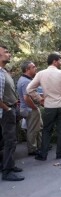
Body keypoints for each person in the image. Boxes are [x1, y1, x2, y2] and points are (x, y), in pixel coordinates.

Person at [27, 53, 61, 161]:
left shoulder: (41, 74)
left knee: (47, 130)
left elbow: (29, 89)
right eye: (60, 60)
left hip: (49, 106)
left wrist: (39, 99)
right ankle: (59, 153)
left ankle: (43, 154)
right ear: (55, 61)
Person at [0, 45, 24, 181]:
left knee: (9, 139)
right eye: (6, 52)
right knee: (10, 141)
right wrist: (7, 109)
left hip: (10, 109)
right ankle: (7, 172)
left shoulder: (4, 72)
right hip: (6, 111)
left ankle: (9, 164)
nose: (9, 54)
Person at [17, 61, 43, 156]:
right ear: (27, 69)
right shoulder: (25, 81)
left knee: (38, 127)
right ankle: (32, 149)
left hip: (29, 108)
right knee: (32, 129)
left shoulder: (25, 80)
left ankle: (40, 146)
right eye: (33, 67)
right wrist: (34, 107)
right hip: (29, 109)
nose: (36, 68)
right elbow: (26, 97)